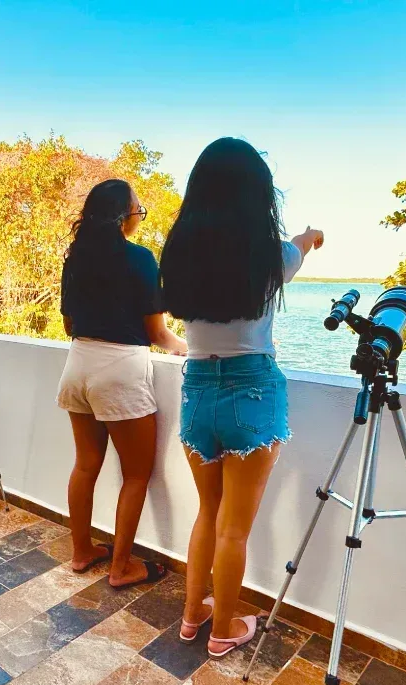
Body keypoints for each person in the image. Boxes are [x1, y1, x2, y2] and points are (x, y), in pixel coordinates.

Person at [160, 138, 323, 657]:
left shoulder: (180, 252)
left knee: (208, 512)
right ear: (259, 194)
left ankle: (192, 616)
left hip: (197, 388)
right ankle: (225, 627)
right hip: (253, 388)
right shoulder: (271, 257)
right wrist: (312, 234)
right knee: (235, 527)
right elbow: (303, 242)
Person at [56, 178, 187, 588]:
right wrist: (191, 348)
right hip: (120, 370)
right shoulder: (140, 259)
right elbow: (158, 334)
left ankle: (81, 552)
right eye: (137, 211)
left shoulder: (75, 258)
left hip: (78, 363)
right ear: (122, 217)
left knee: (85, 464)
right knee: (136, 474)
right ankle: (122, 567)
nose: (138, 218)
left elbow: (69, 325)